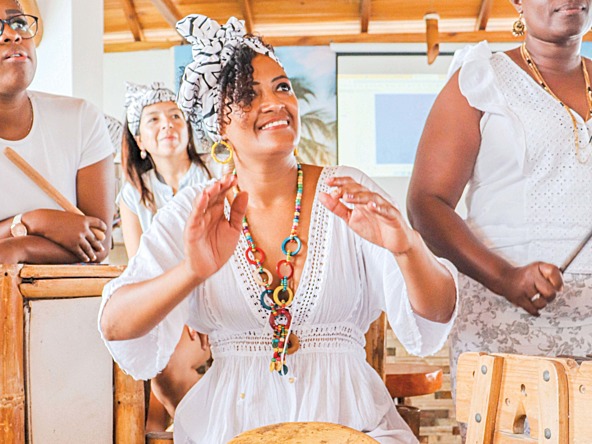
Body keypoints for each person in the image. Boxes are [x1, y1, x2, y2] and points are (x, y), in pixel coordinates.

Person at [99, 14, 457, 444]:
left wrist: (407, 249)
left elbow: (436, 315)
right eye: (249, 95)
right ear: (219, 124)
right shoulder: (193, 212)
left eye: (282, 87)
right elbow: (116, 324)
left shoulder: (347, 190)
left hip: (353, 428)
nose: (274, 102)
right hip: (233, 430)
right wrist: (191, 271)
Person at [406, 0, 592, 427]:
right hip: (510, 324)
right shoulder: (479, 79)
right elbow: (426, 202)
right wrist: (504, 277)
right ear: (518, 3)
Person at [119, 81, 213, 430]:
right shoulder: (132, 194)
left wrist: (199, 313)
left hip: (216, 302)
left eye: (175, 116)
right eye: (153, 119)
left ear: (188, 127)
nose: (167, 125)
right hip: (163, 305)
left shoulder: (216, 177)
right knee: (154, 383)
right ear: (140, 141)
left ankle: (224, 433)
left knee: (166, 376)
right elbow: (139, 271)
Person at [0, 0, 113, 264]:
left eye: (18, 22)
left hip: (70, 303)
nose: (12, 33)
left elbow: (98, 243)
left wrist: (22, 247)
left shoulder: (82, 119)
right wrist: (33, 221)